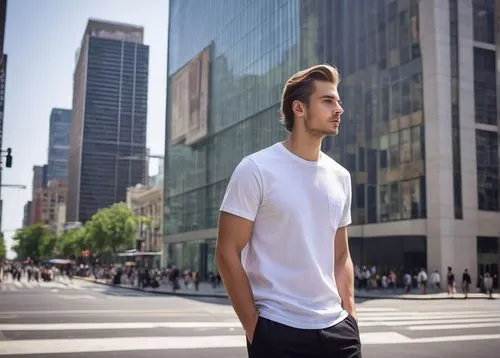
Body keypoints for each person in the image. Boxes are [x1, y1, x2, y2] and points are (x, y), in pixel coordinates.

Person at [215, 64, 361, 357]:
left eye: (339, 101)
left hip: (338, 332)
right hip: (277, 331)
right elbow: (226, 252)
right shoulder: (256, 169)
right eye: (328, 101)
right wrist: (254, 328)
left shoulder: (340, 177)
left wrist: (351, 318)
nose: (339, 109)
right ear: (299, 108)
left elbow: (341, 255)